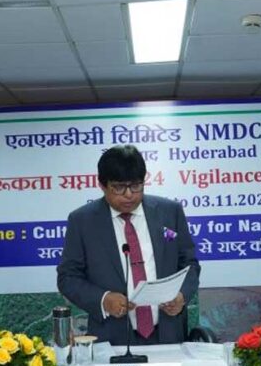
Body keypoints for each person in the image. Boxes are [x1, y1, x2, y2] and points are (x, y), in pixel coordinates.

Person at [57, 145, 201, 345]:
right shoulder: (82, 221)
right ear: (102, 185)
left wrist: (181, 296)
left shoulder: (170, 212)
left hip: (168, 333)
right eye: (118, 187)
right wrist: (104, 299)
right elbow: (68, 278)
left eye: (135, 186)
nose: (129, 194)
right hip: (111, 336)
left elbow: (189, 264)